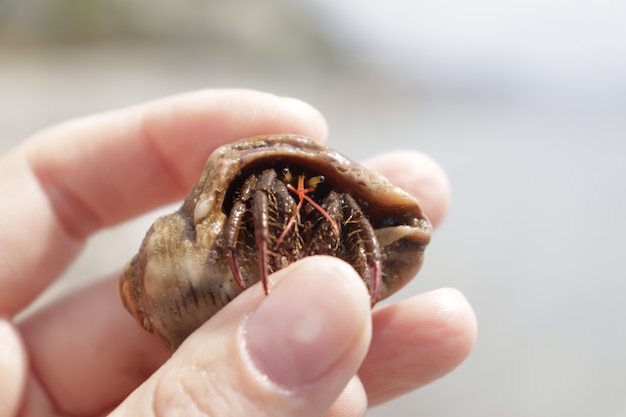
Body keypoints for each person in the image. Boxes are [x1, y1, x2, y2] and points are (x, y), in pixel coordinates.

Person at [0, 89, 477, 417]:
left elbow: (336, 205)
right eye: (292, 190)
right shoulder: (261, 190)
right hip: (242, 231)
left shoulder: (328, 202)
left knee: (325, 201)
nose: (301, 195)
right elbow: (260, 195)